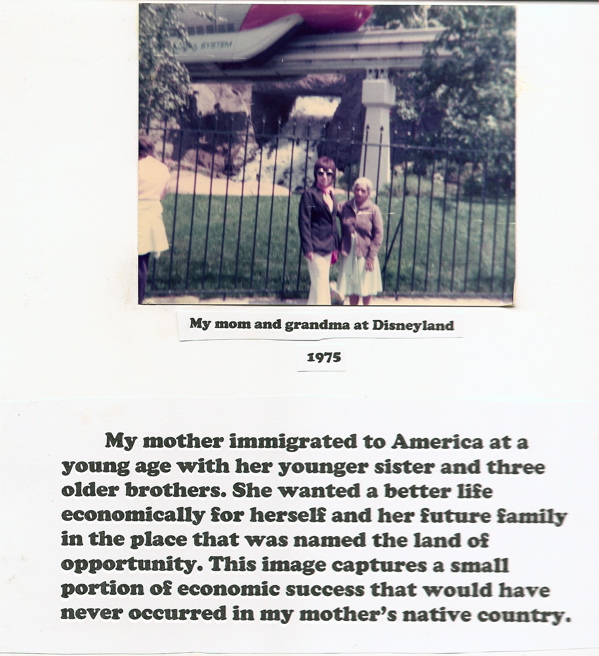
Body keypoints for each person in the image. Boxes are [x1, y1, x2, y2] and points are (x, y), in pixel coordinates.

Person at [298, 156, 340, 305]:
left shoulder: (330, 194)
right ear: (315, 174)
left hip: (329, 245)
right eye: (320, 173)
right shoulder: (309, 194)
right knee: (322, 284)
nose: (324, 177)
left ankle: (311, 316)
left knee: (317, 285)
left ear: (333, 176)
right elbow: (304, 222)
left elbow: (333, 219)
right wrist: (307, 247)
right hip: (315, 246)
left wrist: (336, 244)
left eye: (329, 174)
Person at [337, 177, 383, 305]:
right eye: (357, 189)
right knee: (352, 286)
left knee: (365, 285)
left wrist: (371, 257)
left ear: (368, 193)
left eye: (363, 190)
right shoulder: (345, 206)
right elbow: (329, 208)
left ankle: (365, 315)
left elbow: (378, 234)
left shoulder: (373, 209)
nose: (359, 193)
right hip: (349, 251)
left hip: (365, 253)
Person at [138, 135, 170, 304]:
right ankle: (139, 298)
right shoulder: (161, 168)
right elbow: (164, 192)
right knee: (142, 262)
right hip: (151, 213)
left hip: (136, 212)